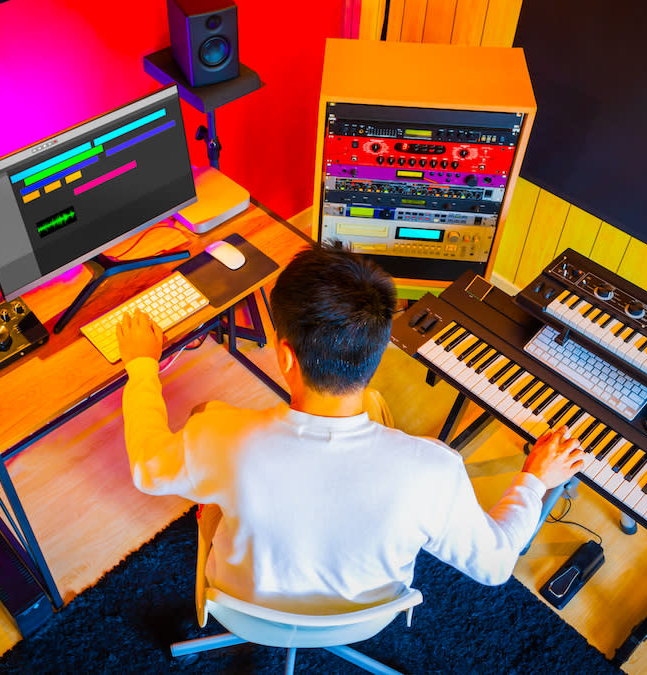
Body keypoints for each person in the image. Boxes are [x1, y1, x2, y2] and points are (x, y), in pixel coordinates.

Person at [116, 242, 584, 614]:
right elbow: (497, 562)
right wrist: (535, 478)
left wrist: (141, 365)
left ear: (284, 357)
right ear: (377, 354)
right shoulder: (433, 470)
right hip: (371, 613)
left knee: (202, 415)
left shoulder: (218, 436)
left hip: (244, 605)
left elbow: (147, 466)